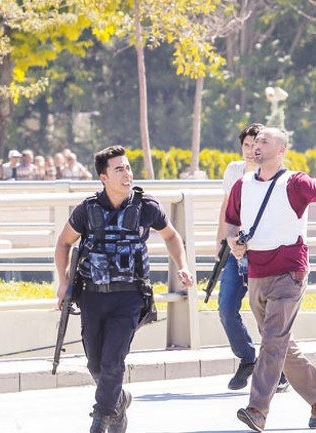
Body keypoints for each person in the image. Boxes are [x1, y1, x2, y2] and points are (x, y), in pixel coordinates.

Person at [54, 145, 194, 433]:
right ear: (104, 177)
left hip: (130, 296)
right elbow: (64, 243)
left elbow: (171, 236)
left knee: (113, 361)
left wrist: (182, 265)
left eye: (128, 168)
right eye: (119, 169)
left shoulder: (147, 206)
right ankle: (119, 401)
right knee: (95, 364)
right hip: (92, 296)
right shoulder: (87, 209)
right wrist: (63, 282)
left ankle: (101, 418)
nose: (127, 173)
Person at [225, 127, 316, 432]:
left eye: (264, 142)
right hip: (256, 272)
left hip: (289, 272)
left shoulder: (296, 181)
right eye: (256, 142)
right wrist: (233, 242)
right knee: (282, 346)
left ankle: (258, 409)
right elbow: (231, 222)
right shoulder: (242, 184)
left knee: (272, 342)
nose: (257, 146)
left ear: (281, 150)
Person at [215, 123, 289, 393]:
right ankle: (247, 358)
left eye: (256, 144)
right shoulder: (234, 172)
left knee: (268, 317)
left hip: (266, 255)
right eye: (246, 145)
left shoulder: (276, 174)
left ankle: (279, 371)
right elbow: (226, 209)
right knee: (226, 308)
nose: (251, 150)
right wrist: (221, 241)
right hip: (236, 253)